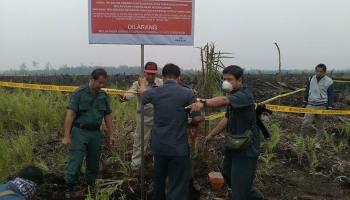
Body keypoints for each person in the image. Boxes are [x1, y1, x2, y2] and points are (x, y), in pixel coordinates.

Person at [190, 65, 263, 200]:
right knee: (227, 174)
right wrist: (211, 134)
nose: (226, 83)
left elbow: (223, 101)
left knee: (239, 189)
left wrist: (203, 102)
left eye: (230, 80)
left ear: (240, 80)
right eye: (224, 79)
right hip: (233, 144)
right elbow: (226, 119)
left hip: (246, 148)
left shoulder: (244, 95)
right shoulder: (234, 95)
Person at [139, 63, 202, 200]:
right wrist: (192, 122)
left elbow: (143, 97)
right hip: (178, 148)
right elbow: (197, 118)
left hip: (159, 147)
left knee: (159, 182)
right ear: (178, 77)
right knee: (178, 185)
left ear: (163, 76)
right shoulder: (187, 93)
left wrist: (143, 84)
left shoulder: (155, 92)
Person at [61, 68, 115, 196]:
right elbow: (70, 115)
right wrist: (66, 136)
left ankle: (90, 187)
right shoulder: (79, 93)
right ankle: (70, 187)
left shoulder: (103, 96)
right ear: (91, 80)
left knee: (93, 162)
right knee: (76, 160)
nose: (101, 86)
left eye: (103, 83)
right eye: (99, 82)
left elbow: (107, 116)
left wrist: (111, 134)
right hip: (80, 131)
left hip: (95, 133)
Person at [119, 62, 163, 170]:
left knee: (158, 144)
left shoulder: (161, 83)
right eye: (149, 74)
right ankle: (135, 166)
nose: (151, 76)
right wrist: (124, 97)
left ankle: (157, 166)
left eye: (153, 74)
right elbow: (130, 93)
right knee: (139, 144)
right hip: (144, 119)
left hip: (159, 119)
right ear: (145, 73)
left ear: (156, 73)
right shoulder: (138, 84)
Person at [300, 63, 334, 149]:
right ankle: (301, 142)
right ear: (315, 71)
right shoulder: (311, 78)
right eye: (317, 71)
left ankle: (317, 143)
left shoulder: (329, 81)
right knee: (305, 123)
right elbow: (307, 90)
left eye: (321, 71)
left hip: (322, 106)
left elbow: (331, 94)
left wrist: (329, 106)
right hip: (310, 105)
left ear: (325, 72)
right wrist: (305, 101)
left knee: (320, 126)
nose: (318, 73)